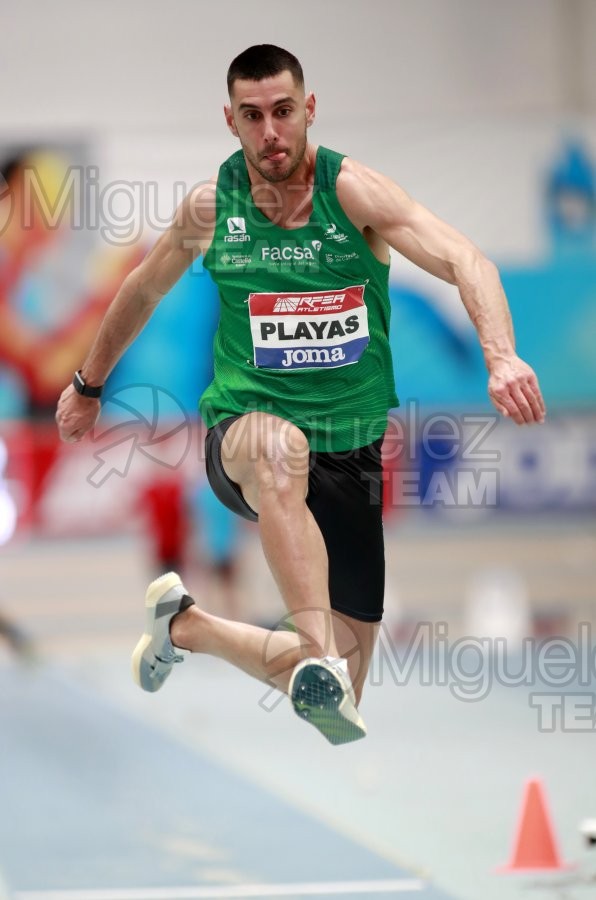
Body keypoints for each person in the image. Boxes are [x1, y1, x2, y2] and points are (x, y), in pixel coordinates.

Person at [56, 44, 546, 746]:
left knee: (342, 689)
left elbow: (467, 258)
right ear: (231, 121)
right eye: (253, 116)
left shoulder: (356, 196)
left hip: (349, 453)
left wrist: (500, 358)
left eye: (283, 112)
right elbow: (141, 290)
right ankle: (316, 646)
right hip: (247, 438)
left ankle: (188, 627)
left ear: (308, 109)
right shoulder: (209, 209)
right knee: (279, 448)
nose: (271, 132)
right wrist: (89, 382)